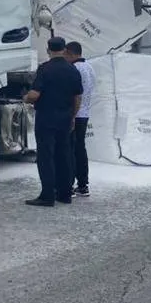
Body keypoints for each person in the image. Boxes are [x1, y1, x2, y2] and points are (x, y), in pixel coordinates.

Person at [23, 36, 84, 206]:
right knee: (64, 155)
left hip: (46, 119)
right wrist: (72, 116)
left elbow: (35, 95)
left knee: (46, 156)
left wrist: (26, 98)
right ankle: (65, 194)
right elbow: (78, 97)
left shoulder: (45, 69)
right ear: (64, 50)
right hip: (65, 119)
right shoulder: (73, 70)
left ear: (48, 50)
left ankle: (47, 195)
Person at [64, 41, 95, 197]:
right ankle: (83, 185)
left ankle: (68, 185)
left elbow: (73, 94)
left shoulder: (74, 69)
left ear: (70, 53)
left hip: (74, 114)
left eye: (65, 54)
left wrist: (71, 115)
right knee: (80, 149)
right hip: (85, 113)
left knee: (70, 150)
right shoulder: (89, 67)